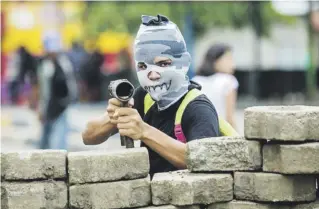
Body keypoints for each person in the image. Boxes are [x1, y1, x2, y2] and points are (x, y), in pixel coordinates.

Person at [82, 14, 221, 176]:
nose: (152, 75)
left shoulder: (198, 109)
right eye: (142, 66)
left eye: (163, 64)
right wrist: (113, 118)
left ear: (184, 62)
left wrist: (144, 131)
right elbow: (88, 136)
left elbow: (203, 160)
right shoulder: (145, 97)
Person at [37, 30, 77, 150]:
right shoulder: (45, 66)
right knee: (46, 137)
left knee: (58, 140)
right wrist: (42, 108)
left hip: (61, 106)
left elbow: (70, 83)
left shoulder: (63, 63)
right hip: (50, 106)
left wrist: (71, 99)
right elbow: (45, 91)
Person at [192, 43, 239, 129]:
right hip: (220, 132)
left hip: (198, 132)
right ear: (215, 60)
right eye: (229, 59)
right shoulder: (228, 81)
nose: (233, 64)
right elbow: (229, 118)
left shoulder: (195, 81)